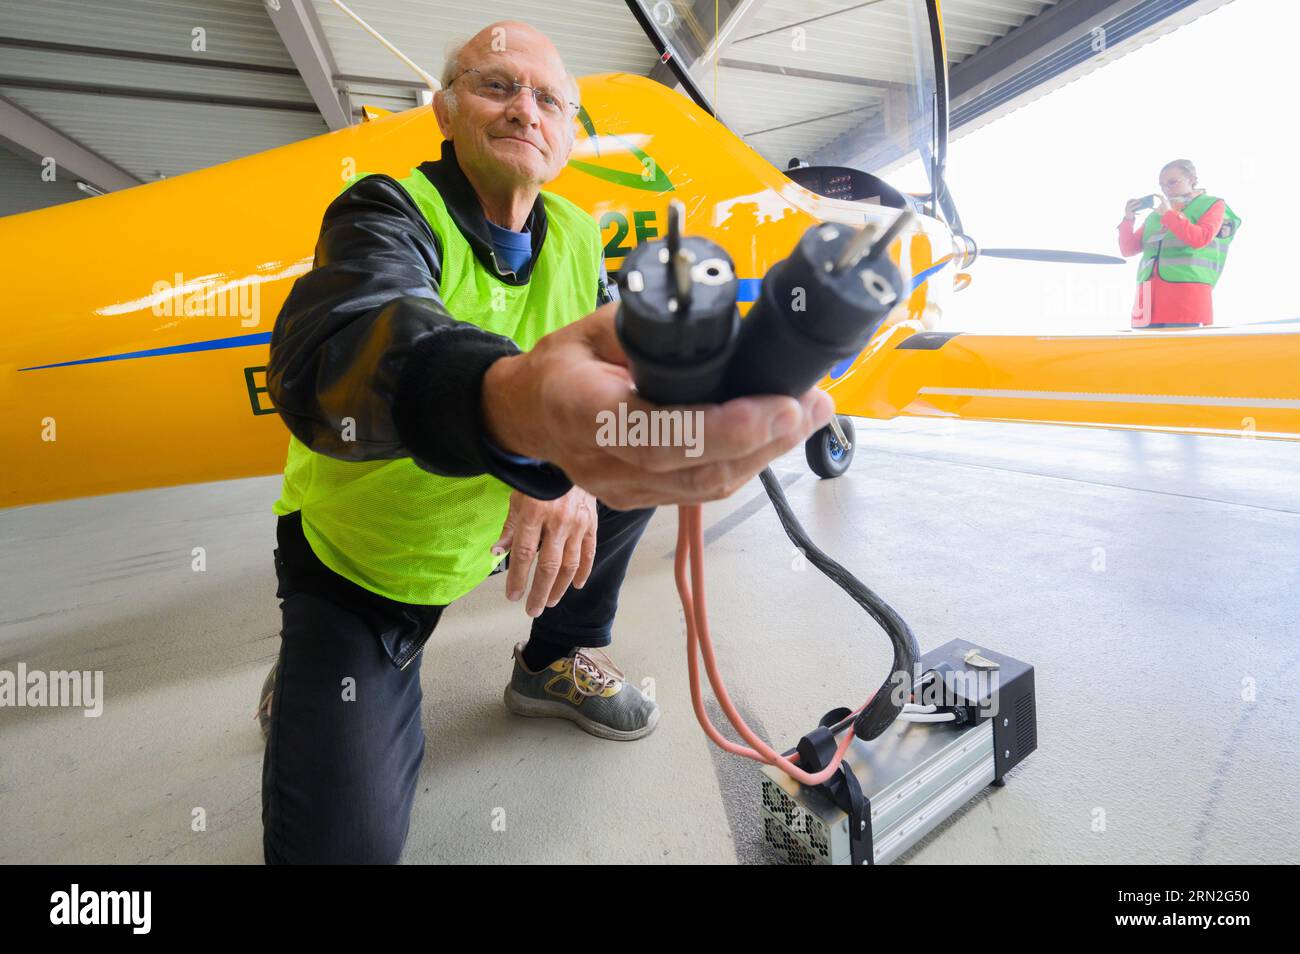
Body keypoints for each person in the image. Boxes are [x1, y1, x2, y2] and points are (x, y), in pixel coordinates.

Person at [256, 20, 832, 864]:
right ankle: (316, 667)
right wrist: (510, 410)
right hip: (368, 567)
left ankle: (552, 659)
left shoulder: (572, 229)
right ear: (444, 111)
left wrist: (567, 468)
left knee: (634, 466)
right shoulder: (385, 210)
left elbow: (591, 373)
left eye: (550, 99)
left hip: (496, 524)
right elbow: (332, 351)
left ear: (566, 138)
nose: (526, 107)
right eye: (497, 86)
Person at [1118, 159, 1241, 328]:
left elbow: (1200, 239)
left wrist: (1169, 215)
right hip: (1146, 297)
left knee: (1180, 352)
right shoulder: (1156, 214)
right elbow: (1128, 249)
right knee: (1143, 353)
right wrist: (1128, 219)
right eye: (1162, 185)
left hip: (1185, 294)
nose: (1167, 189)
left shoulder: (1212, 204)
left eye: (1172, 182)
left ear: (1191, 179)